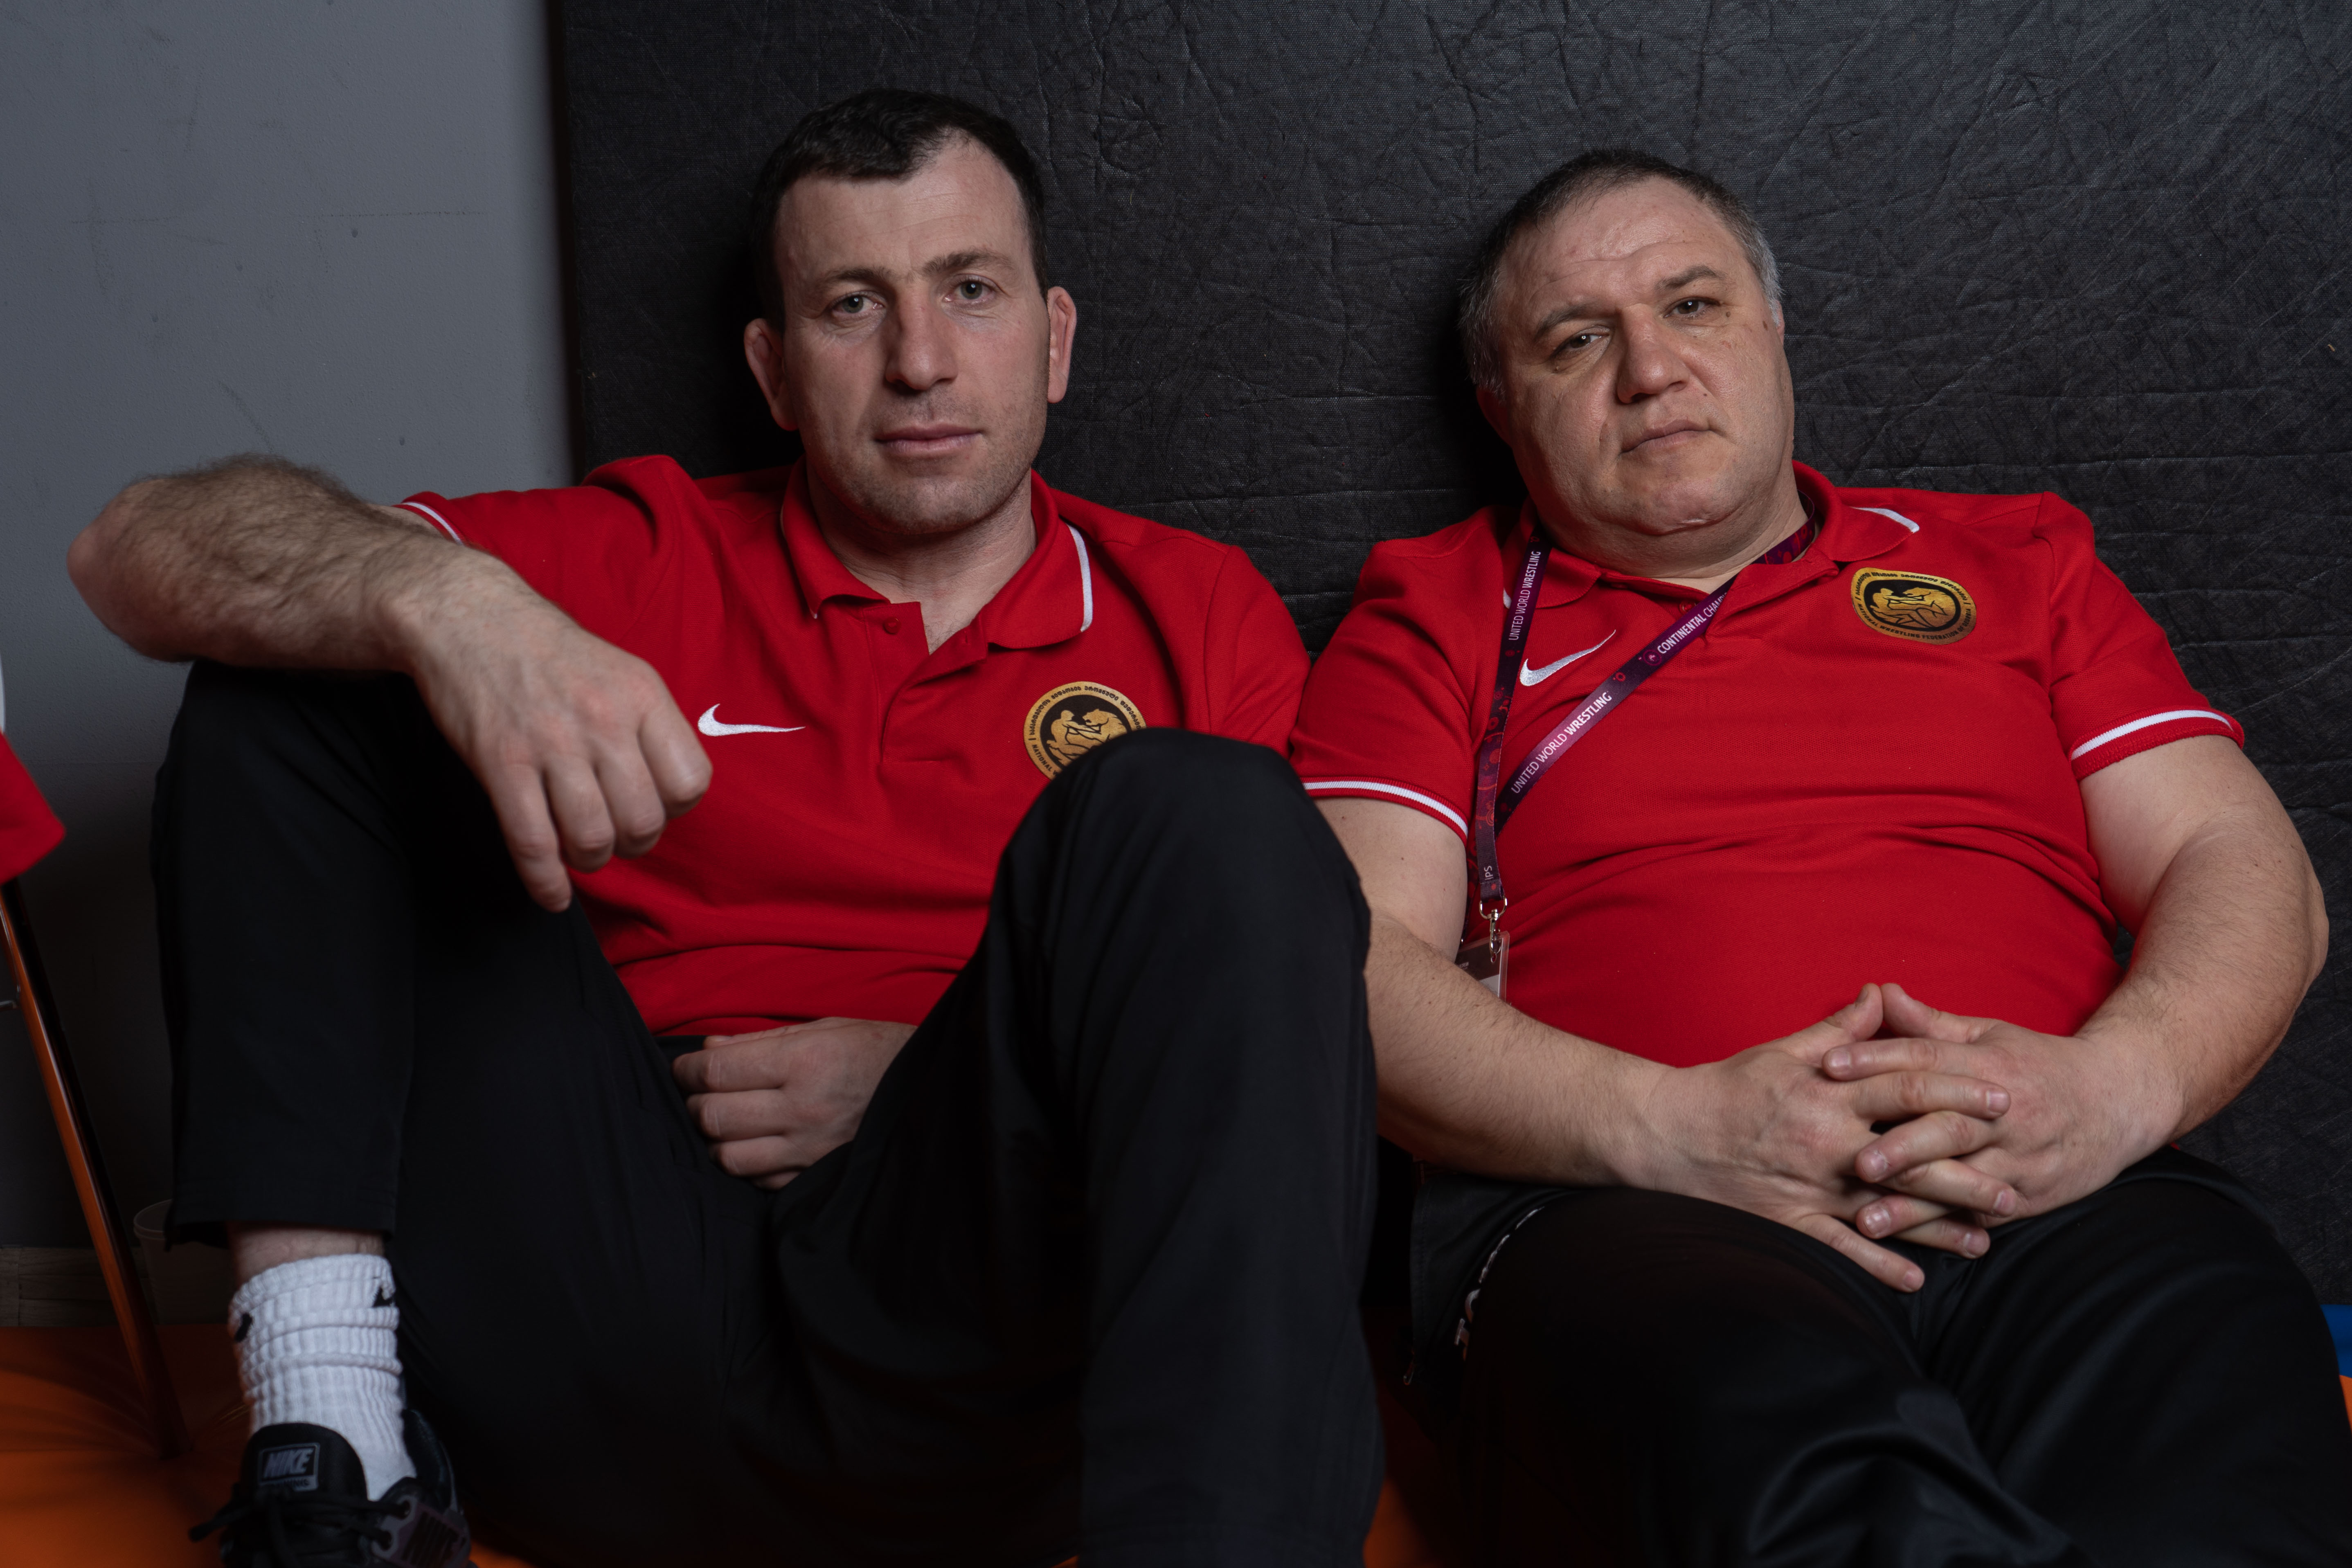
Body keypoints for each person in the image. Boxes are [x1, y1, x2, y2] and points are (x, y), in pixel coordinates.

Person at [70, 90, 1382, 1568]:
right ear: (773, 369)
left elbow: (1272, 1035)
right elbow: (128, 552)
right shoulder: (644, 549)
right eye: (851, 305)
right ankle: (332, 1464)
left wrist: (914, 1071)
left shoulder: (1193, 610)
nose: (921, 359)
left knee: (1208, 808)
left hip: (979, 1359)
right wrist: (450, 602)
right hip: (605, 1296)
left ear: (1055, 338)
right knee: (309, 645)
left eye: (970, 288)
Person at [1290, 148, 2352, 1565]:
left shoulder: (2016, 561)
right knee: (1816, 1498)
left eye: (1693, 305)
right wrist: (1672, 1124)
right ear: (1500, 404)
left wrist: (2115, 1087)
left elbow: (2241, 855)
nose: (1651, 370)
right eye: (1576, 340)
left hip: (2063, 1184)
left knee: (2231, 1483)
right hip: (1631, 1210)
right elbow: (1347, 962)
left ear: (1775, 328)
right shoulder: (1434, 613)